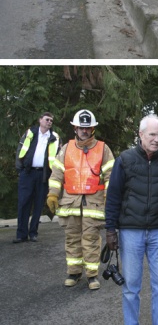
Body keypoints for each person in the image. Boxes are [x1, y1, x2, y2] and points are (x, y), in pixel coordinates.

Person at [105, 113, 158, 325]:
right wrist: (110, 230)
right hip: (131, 232)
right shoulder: (125, 160)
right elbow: (113, 196)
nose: (156, 139)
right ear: (140, 134)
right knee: (131, 287)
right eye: (152, 134)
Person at [47, 109, 114, 290]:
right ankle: (74, 273)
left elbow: (110, 176)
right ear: (75, 128)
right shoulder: (66, 149)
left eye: (88, 128)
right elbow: (56, 174)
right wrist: (53, 194)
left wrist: (109, 196)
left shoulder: (103, 149)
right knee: (72, 239)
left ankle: (92, 276)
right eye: (81, 128)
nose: (84, 131)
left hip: (94, 203)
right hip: (70, 204)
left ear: (92, 129)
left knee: (91, 239)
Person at [13, 112, 60, 243]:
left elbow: (58, 155)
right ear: (40, 120)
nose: (49, 122)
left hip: (44, 174)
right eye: (47, 119)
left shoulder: (54, 137)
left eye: (51, 121)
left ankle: (33, 233)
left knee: (39, 204)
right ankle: (21, 234)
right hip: (27, 172)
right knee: (23, 203)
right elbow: (20, 149)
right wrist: (20, 169)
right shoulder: (30, 133)